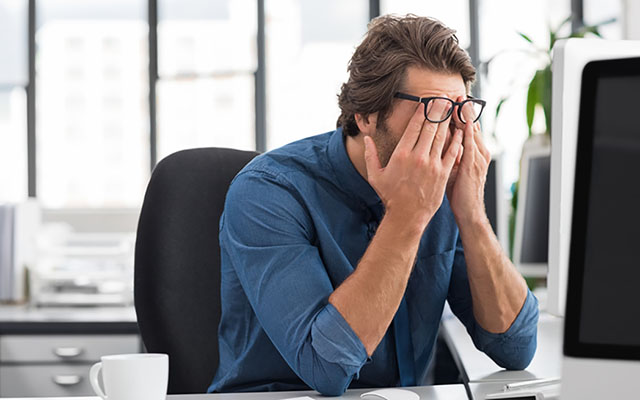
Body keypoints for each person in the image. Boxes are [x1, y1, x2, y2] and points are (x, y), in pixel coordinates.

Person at [208, 14, 538, 396]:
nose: (449, 134)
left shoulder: (446, 190)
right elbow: (326, 370)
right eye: (433, 110)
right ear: (366, 115)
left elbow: (516, 347)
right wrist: (407, 216)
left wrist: (472, 216)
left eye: (460, 112)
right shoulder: (268, 192)